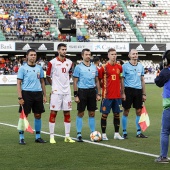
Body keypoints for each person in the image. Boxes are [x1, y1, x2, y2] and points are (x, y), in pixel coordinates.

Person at [46, 43, 75, 144]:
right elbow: (48, 76)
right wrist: (54, 86)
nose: (64, 51)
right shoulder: (52, 62)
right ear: (58, 51)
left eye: (65, 49)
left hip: (67, 92)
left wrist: (65, 84)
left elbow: (70, 74)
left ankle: (67, 136)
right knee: (53, 112)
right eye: (62, 49)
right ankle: (52, 136)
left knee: (67, 113)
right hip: (56, 92)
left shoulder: (70, 62)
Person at [17, 49, 47, 145]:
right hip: (26, 94)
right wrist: (20, 97)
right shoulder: (23, 68)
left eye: (34, 55)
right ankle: (21, 137)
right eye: (31, 55)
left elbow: (42, 81)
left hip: (38, 94)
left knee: (38, 115)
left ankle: (38, 137)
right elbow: (18, 83)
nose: (33, 56)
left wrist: (44, 95)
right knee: (24, 115)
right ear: (27, 56)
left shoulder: (39, 68)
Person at [73, 48, 101, 142]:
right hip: (82, 91)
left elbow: (97, 81)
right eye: (86, 54)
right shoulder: (78, 67)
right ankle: (79, 133)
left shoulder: (94, 67)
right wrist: (76, 95)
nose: (88, 56)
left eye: (89, 54)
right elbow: (75, 82)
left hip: (92, 92)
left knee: (92, 113)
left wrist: (98, 93)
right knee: (81, 112)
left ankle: (93, 133)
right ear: (82, 55)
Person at [98, 48, 124, 140]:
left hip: (117, 96)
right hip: (107, 96)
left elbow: (121, 80)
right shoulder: (103, 67)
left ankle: (116, 134)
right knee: (104, 115)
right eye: (112, 54)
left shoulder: (119, 67)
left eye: (115, 54)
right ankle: (104, 134)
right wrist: (100, 91)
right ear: (108, 56)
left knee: (117, 114)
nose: (114, 56)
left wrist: (123, 93)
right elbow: (99, 80)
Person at [121, 49, 147, 139]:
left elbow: (142, 80)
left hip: (138, 90)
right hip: (128, 90)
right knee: (126, 111)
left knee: (139, 111)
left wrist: (144, 93)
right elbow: (122, 80)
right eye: (133, 54)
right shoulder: (124, 66)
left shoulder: (141, 66)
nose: (135, 55)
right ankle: (124, 132)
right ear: (129, 55)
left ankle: (139, 132)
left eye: (136, 54)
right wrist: (123, 92)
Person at [154, 50, 170, 163]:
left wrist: (161, 71)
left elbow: (158, 82)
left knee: (165, 131)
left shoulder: (166, 71)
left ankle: (163, 156)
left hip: (169, 106)